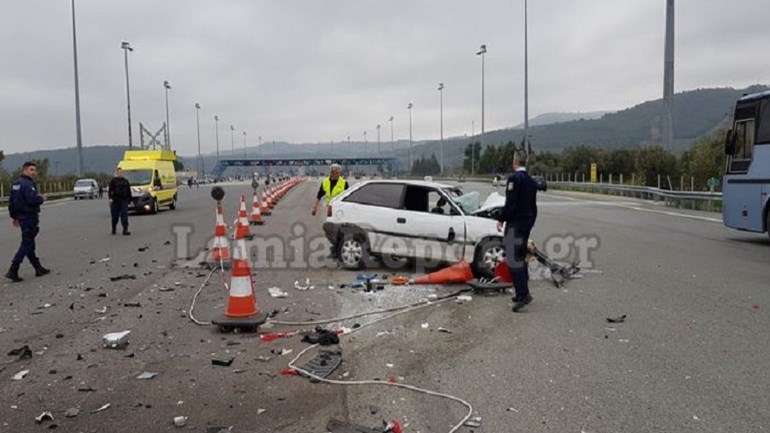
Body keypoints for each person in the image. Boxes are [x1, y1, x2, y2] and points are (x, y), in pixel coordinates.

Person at [496, 151, 538, 312]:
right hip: (526, 224)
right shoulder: (531, 181)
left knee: (513, 260)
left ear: (515, 162)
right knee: (520, 258)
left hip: (515, 224)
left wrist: (501, 219)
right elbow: (533, 207)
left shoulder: (515, 178)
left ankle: (523, 295)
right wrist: (529, 224)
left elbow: (510, 204)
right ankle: (522, 292)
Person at [6, 161, 50, 282]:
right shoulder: (28, 184)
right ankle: (13, 269)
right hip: (29, 217)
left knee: (29, 243)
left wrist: (14, 216)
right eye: (31, 170)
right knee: (27, 243)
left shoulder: (16, 184)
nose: (34, 172)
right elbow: (31, 200)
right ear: (24, 170)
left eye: (34, 170)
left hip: (21, 217)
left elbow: (11, 202)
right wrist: (41, 198)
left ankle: (38, 267)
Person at [311, 163, 348, 258]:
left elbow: (348, 197)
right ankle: (335, 248)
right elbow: (319, 195)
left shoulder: (344, 183)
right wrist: (315, 207)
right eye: (336, 172)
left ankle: (336, 250)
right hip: (329, 210)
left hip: (340, 210)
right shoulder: (325, 182)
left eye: (339, 172)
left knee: (338, 230)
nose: (338, 174)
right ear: (331, 172)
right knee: (329, 230)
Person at [108, 167, 132, 235]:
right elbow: (110, 190)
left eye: (121, 172)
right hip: (115, 200)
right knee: (115, 216)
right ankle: (114, 228)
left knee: (124, 214)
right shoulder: (113, 181)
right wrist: (110, 198)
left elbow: (129, 191)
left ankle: (125, 229)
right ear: (117, 173)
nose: (120, 174)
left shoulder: (126, 181)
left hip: (124, 200)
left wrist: (130, 200)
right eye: (119, 172)